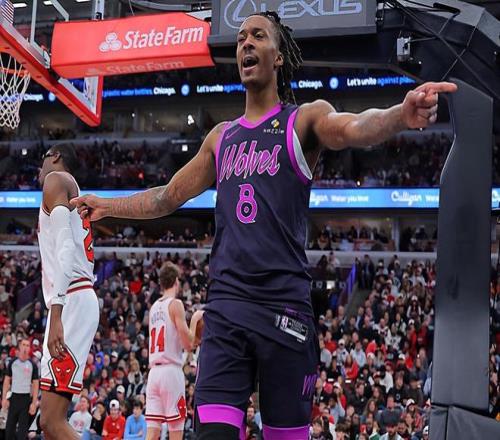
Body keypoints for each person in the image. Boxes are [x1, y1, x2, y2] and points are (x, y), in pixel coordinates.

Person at [71, 10, 456, 439]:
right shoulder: (221, 137)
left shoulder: (303, 119)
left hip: (284, 311)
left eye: (258, 36)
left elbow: (352, 127)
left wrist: (400, 114)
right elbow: (167, 197)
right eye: (240, 39)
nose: (246, 44)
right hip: (227, 310)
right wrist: (107, 206)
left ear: (278, 56)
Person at [37, 144, 100, 440]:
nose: (40, 169)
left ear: (56, 156)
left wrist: (56, 313)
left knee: (51, 421)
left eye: (43, 159)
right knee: (50, 427)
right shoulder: (69, 189)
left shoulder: (55, 180)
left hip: (70, 298)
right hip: (74, 296)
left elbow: (65, 251)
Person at [144, 262, 204, 440]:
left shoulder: (154, 307)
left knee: (152, 434)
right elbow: (188, 344)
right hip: (171, 372)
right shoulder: (175, 304)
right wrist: (195, 319)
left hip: (153, 373)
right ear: (176, 281)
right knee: (175, 431)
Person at [2, 338, 39, 440]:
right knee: (9, 430)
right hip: (14, 398)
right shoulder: (13, 362)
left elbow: (36, 385)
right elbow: (6, 381)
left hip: (25, 399)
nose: (25, 347)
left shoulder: (33, 365)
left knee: (22, 432)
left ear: (30, 349)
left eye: (27, 345)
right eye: (23, 345)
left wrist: (34, 402)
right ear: (19, 347)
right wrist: (4, 398)